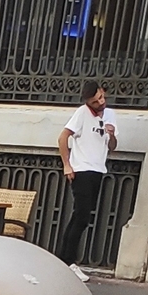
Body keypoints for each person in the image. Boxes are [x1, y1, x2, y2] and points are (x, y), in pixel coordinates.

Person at [57, 84, 118, 278]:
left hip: (98, 169)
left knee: (81, 216)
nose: (100, 103)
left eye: (101, 98)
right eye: (95, 101)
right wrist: (67, 165)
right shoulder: (82, 113)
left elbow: (113, 147)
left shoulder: (109, 115)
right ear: (87, 102)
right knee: (82, 216)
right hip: (81, 170)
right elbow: (63, 137)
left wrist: (111, 134)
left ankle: (63, 259)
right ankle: (69, 261)